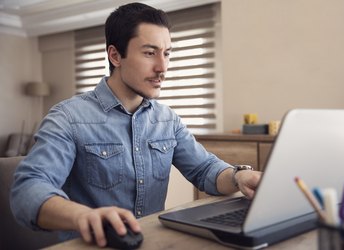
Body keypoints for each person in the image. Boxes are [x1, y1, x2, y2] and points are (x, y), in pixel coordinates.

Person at [10, 2, 261, 248]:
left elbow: (205, 170)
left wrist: (239, 176)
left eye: (167, 53)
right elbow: (28, 188)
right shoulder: (68, 117)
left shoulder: (167, 119)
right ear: (115, 55)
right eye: (150, 53)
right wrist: (82, 216)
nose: (162, 68)